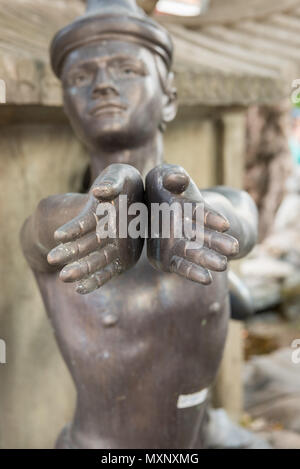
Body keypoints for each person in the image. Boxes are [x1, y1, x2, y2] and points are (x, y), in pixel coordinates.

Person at [21, 0, 257, 449]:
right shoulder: (61, 229)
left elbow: (243, 217)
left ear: (169, 96)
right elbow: (41, 226)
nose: (104, 86)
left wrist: (198, 217)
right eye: (79, 78)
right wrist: (106, 204)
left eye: (126, 69)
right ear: (67, 108)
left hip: (207, 439)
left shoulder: (207, 214)